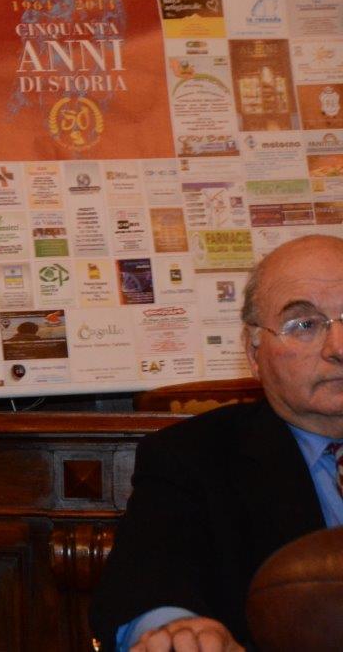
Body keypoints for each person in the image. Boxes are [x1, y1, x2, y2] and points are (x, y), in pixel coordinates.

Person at [90, 233, 343, 652]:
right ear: (254, 352)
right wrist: (179, 631)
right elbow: (150, 581)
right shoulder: (191, 457)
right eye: (304, 324)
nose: (338, 347)